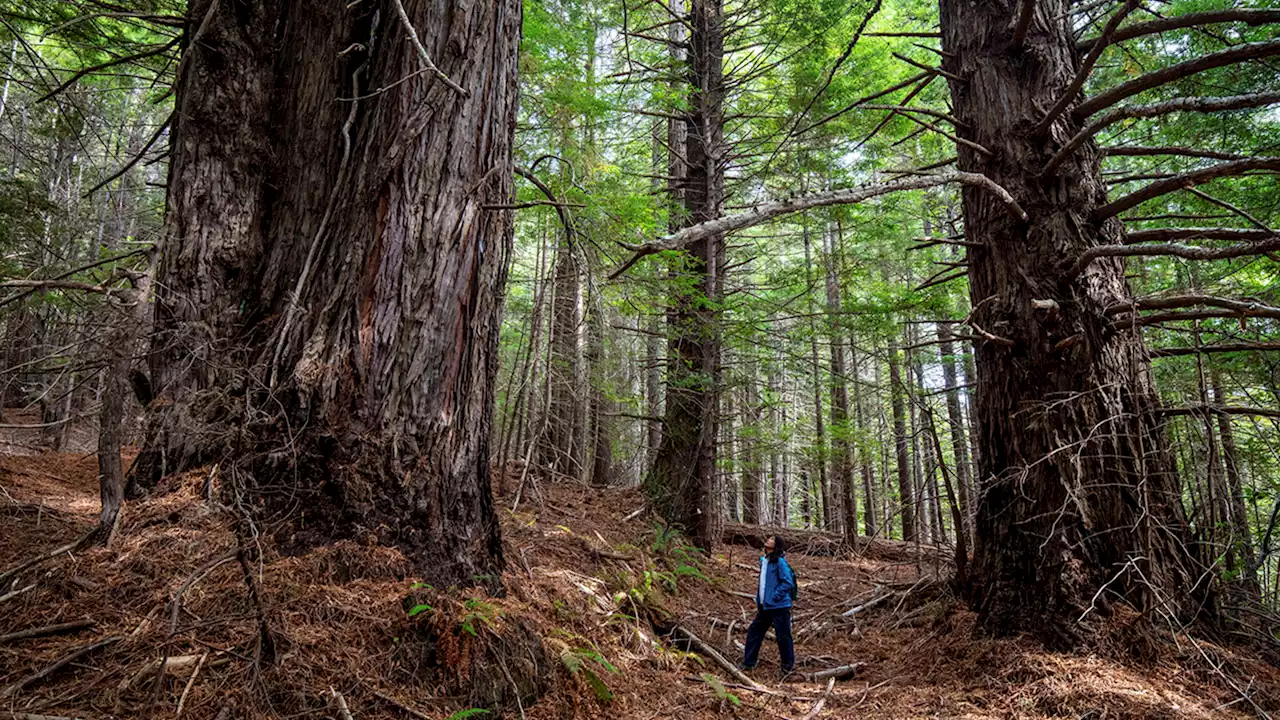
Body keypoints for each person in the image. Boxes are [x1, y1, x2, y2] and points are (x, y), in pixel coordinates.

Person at [739, 535, 795, 678]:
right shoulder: (764, 561)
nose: (768, 540)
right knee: (754, 631)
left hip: (779, 606)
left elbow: (788, 582)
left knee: (783, 636)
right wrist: (761, 601)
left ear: (776, 545)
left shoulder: (780, 562)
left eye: (772, 539)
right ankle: (748, 663)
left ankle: (788, 667)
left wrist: (774, 597)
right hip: (765, 607)